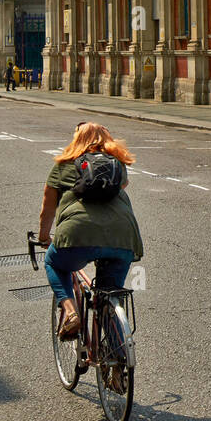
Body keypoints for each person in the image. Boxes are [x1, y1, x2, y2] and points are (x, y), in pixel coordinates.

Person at [37, 122, 144, 339]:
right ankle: (116, 362)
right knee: (108, 296)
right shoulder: (117, 165)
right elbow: (120, 187)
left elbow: (47, 209)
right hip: (123, 237)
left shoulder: (63, 166)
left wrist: (43, 237)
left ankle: (70, 312)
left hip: (76, 236)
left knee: (53, 263)